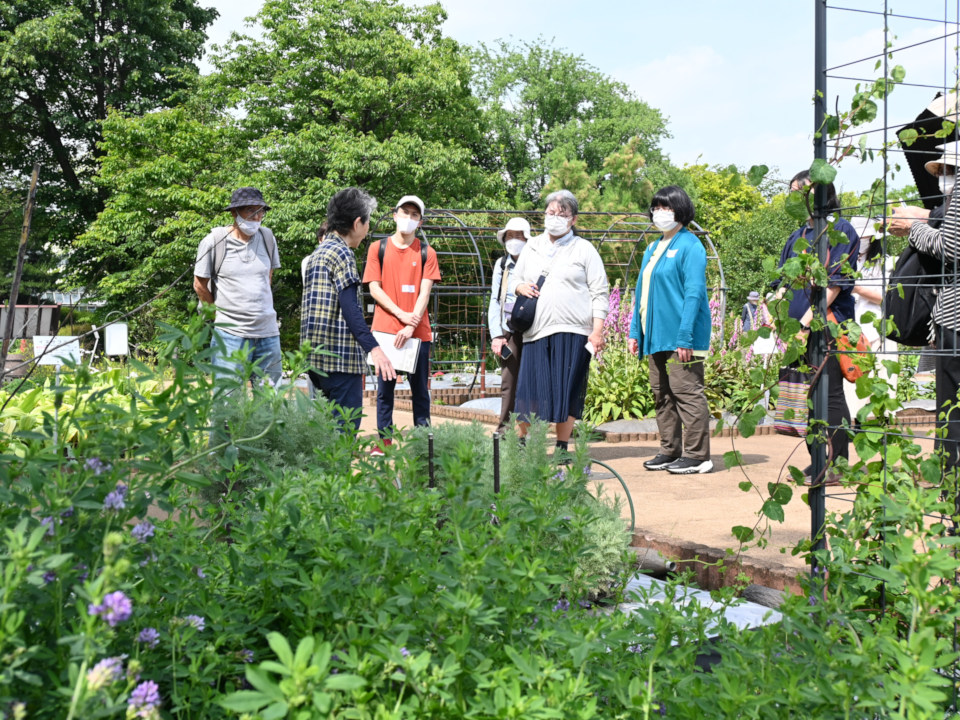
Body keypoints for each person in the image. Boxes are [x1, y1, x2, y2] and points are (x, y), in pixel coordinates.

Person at [775, 170, 860, 484]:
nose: (799, 198)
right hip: (796, 328)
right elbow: (783, 279)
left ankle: (837, 465)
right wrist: (777, 310)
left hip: (827, 327)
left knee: (831, 394)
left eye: (804, 192)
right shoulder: (798, 235)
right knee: (808, 396)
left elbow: (834, 286)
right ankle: (817, 459)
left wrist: (805, 324)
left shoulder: (841, 231)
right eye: (795, 192)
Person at [513, 189, 609, 455]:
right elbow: (514, 280)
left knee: (568, 389)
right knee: (530, 389)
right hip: (536, 331)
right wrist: (521, 286)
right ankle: (520, 445)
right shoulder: (532, 247)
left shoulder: (584, 249)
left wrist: (597, 331)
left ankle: (562, 447)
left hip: (575, 332)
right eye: (550, 213)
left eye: (562, 214)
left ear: (573, 219)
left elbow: (599, 292)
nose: (555, 218)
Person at [628, 186, 713, 475]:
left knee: (687, 393)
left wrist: (685, 336)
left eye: (667, 207)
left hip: (681, 337)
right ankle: (670, 449)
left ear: (681, 210)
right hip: (654, 336)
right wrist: (634, 332)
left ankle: (698, 455)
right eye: (656, 207)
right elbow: (640, 292)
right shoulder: (652, 248)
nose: (660, 213)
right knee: (662, 395)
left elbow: (694, 294)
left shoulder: (691, 245)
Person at [301, 188, 395, 430]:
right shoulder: (343, 253)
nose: (367, 231)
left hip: (314, 359)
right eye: (367, 223)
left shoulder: (317, 254)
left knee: (322, 434)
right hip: (340, 360)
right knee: (343, 434)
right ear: (356, 223)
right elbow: (351, 310)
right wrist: (374, 348)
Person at [890, 168, 960, 473]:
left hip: (956, 319)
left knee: (951, 414)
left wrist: (914, 228)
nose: (947, 177)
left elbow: (951, 246)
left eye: (951, 170)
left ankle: (954, 501)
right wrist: (932, 214)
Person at [362, 195, 441, 450]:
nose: (408, 218)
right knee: (384, 394)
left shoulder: (427, 252)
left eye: (414, 215)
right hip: (385, 333)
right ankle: (383, 444)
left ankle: (423, 445)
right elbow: (374, 288)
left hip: (418, 335)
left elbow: (424, 292)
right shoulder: (378, 248)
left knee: (420, 393)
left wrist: (410, 325)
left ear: (420, 222)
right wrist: (401, 316)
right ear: (394, 215)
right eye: (404, 212)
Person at [194, 186, 282, 386]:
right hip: (230, 335)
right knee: (227, 400)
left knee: (269, 401)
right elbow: (199, 285)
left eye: (260, 211)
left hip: (268, 333)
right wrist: (218, 316)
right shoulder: (214, 241)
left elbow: (268, 276)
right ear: (234, 213)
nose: (256, 216)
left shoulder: (268, 238)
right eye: (250, 210)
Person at [846, 216, 897, 420]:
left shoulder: (886, 263)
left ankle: (881, 421)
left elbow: (887, 297)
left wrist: (855, 287)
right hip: (852, 331)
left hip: (879, 329)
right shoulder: (847, 261)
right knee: (854, 381)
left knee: (883, 378)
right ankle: (853, 422)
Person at [487, 217, 532, 434]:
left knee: (531, 382)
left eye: (518, 235)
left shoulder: (536, 262)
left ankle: (526, 433)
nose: (513, 240)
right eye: (510, 236)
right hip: (509, 329)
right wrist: (496, 334)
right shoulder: (502, 264)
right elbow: (495, 300)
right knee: (509, 383)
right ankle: (503, 431)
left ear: (527, 238)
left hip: (534, 328)